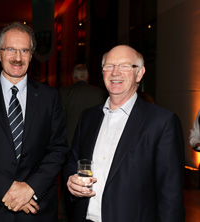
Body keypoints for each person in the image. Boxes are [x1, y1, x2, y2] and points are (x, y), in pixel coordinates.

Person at [0, 22, 68, 221]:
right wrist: (6, 189)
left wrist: (30, 188)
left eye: (24, 50)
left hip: (37, 207)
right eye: (10, 49)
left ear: (31, 55)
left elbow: (58, 149)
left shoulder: (50, 97)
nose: (17, 58)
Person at [64, 45, 185, 222]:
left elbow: (170, 196)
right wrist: (71, 182)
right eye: (109, 66)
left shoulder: (162, 122)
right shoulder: (88, 118)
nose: (115, 72)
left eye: (125, 66)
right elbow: (72, 161)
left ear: (140, 73)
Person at [60, 63, 107, 148]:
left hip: (70, 141)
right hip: (94, 140)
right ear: (87, 76)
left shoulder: (65, 92)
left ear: (73, 76)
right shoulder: (100, 93)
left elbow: (60, 119)